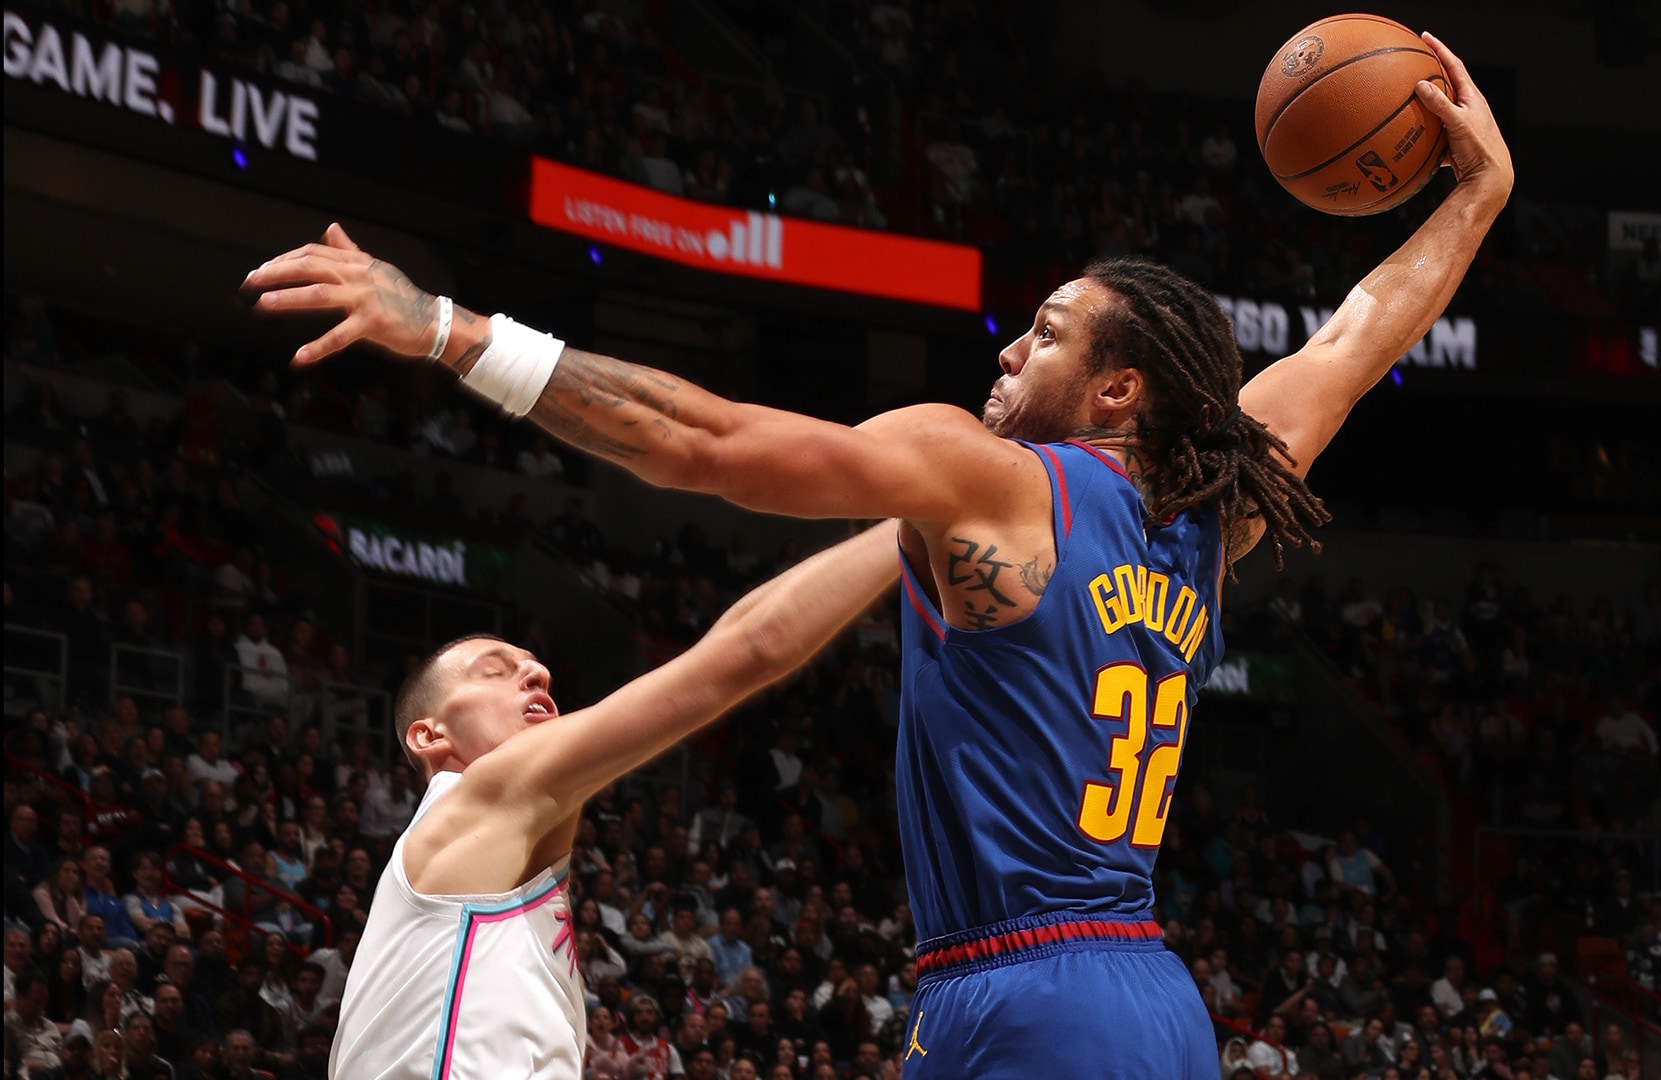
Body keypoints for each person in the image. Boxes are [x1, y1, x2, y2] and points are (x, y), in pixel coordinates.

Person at [249, 34, 1510, 1078]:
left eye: (1048, 334)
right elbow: (1354, 343)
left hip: (1024, 995)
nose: (1010, 349)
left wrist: (450, 330)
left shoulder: (990, 474)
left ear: (1119, 390)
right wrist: (1476, 199)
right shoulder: (1208, 514)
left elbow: (704, 441)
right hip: (1145, 995)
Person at [323, 526, 898, 1079]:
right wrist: (916, 519)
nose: (537, 672)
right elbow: (750, 647)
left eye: (534, 666)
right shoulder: (475, 800)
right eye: (495, 671)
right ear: (429, 736)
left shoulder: (498, 857)